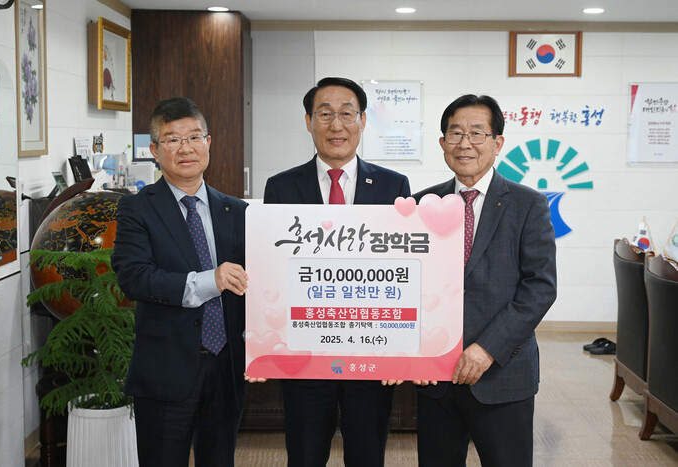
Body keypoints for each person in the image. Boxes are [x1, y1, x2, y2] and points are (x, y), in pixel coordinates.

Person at [263, 77, 411, 467]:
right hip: (304, 350)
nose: (336, 125)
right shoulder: (280, 187)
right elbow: (272, 271)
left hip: (371, 351)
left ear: (362, 120)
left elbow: (404, 271)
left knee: (367, 455)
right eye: (325, 114)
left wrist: (402, 348)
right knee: (305, 454)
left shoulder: (394, 186)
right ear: (308, 121)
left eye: (347, 113)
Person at [413, 94, 557, 467]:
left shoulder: (528, 204)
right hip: (435, 380)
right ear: (442, 142)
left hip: (502, 376)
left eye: (477, 133)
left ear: (498, 142)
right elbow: (406, 286)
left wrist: (487, 349)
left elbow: (539, 288)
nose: (465, 144)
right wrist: (412, 356)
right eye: (455, 133)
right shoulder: (420, 205)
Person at [112, 97, 249, 467]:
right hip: (166, 370)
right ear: (155, 151)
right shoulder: (137, 208)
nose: (185, 148)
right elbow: (134, 278)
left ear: (209, 142)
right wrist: (210, 280)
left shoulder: (236, 211)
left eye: (194, 137)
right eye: (172, 139)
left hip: (227, 368)